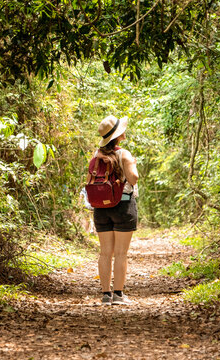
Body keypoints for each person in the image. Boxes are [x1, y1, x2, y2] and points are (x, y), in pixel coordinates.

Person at [89, 115, 139, 305]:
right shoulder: (124, 154)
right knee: (120, 253)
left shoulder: (96, 154)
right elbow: (133, 179)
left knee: (104, 253)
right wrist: (133, 164)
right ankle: (118, 294)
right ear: (118, 135)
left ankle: (105, 295)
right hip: (122, 205)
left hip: (101, 207)